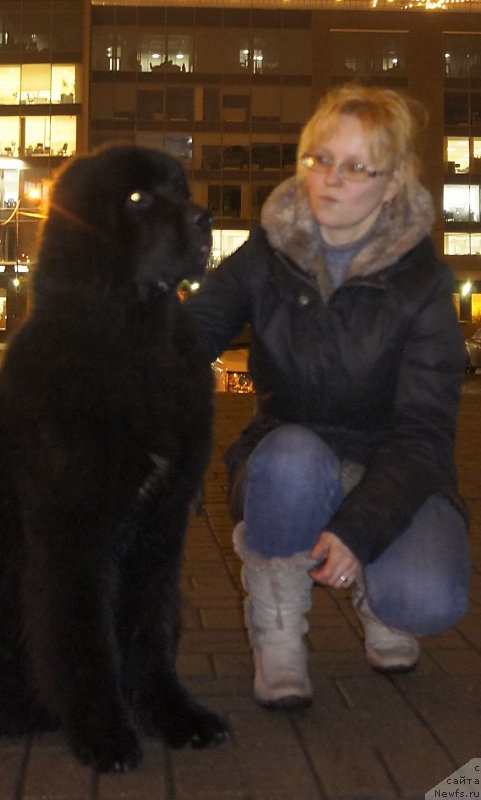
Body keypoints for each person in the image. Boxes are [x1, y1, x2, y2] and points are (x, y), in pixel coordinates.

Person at [186, 83, 471, 710]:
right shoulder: (267, 253)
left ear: (392, 184)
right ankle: (278, 628)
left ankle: (378, 594)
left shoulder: (423, 283)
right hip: (287, 460)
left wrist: (358, 532)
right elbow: (188, 336)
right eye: (319, 158)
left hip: (392, 465)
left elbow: (425, 435)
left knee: (426, 598)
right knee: (290, 458)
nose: (331, 178)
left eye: (356, 166)